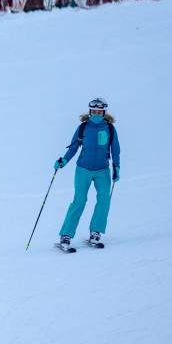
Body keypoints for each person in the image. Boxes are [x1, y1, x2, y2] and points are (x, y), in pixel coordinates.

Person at [54, 98, 121, 250]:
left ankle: (95, 232)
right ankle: (66, 235)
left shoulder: (109, 129)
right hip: (83, 170)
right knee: (79, 201)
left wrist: (116, 167)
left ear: (104, 113)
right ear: (90, 112)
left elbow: (115, 150)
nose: (96, 114)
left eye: (99, 112)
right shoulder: (83, 128)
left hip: (102, 171)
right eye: (94, 112)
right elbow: (73, 148)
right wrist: (63, 162)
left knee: (104, 200)